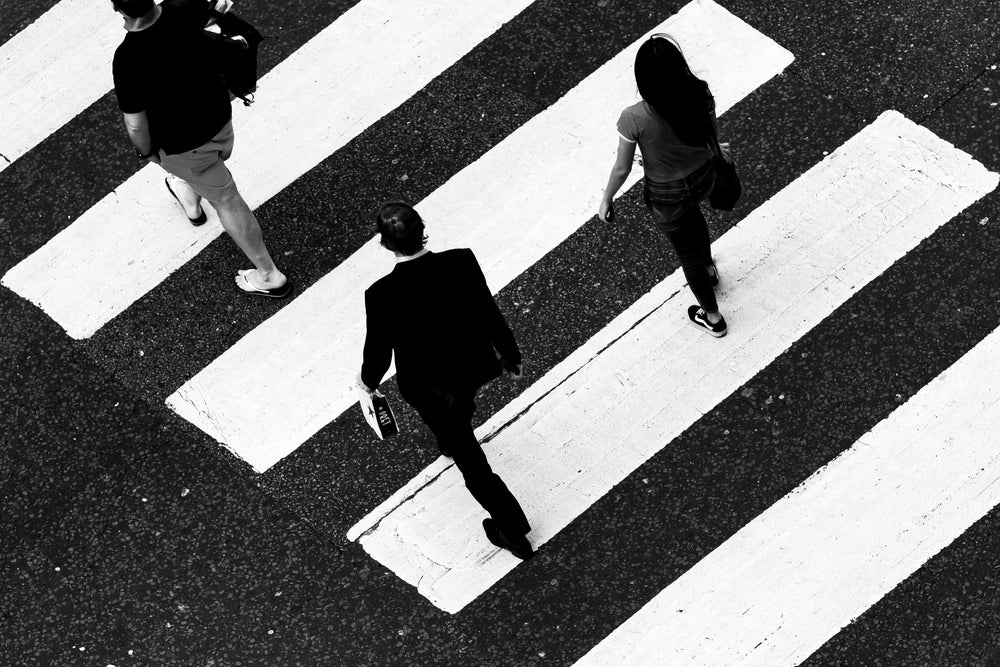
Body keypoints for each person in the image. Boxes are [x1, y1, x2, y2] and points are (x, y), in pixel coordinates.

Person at [358, 201, 534, 560]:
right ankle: (451, 438)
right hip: (474, 365)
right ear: (422, 228)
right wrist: (510, 354)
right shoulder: (461, 261)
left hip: (427, 386)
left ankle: (512, 530)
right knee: (459, 410)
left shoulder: (381, 294)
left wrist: (367, 381)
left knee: (473, 464)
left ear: (384, 243)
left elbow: (379, 350)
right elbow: (489, 312)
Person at [110, 0, 290, 298]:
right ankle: (190, 198)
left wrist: (146, 153)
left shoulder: (127, 58)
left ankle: (270, 276)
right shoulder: (182, 7)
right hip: (219, 119)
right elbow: (220, 5)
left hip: (184, 147)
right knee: (197, 174)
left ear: (119, 9)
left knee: (227, 199)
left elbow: (136, 126)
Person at [598, 34, 727, 337]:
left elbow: (622, 167)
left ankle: (713, 318)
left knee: (687, 254)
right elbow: (712, 133)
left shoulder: (633, 118)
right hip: (702, 176)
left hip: (667, 194)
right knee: (696, 217)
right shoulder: (700, 93)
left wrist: (606, 199)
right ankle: (710, 270)